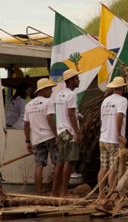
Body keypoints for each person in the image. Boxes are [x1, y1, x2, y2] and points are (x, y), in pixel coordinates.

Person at [48, 69, 82, 197]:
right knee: (70, 161)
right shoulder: (71, 95)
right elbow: (71, 114)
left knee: (61, 161)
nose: (79, 81)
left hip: (61, 131)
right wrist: (77, 132)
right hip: (69, 132)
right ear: (71, 80)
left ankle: (54, 192)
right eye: (77, 79)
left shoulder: (59, 95)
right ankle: (64, 192)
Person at [23, 78, 60, 196]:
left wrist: (28, 141)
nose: (51, 91)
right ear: (43, 90)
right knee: (58, 163)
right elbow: (50, 119)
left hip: (36, 139)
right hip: (49, 137)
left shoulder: (28, 105)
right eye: (49, 89)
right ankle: (55, 192)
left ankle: (39, 194)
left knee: (39, 165)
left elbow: (26, 124)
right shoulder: (48, 102)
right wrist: (56, 135)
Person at [97, 77, 128, 202]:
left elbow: (102, 119)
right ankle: (111, 194)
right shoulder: (122, 100)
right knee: (113, 168)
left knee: (103, 167)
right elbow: (119, 115)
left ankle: (101, 195)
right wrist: (119, 134)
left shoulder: (106, 101)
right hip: (112, 139)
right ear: (122, 88)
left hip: (103, 138)